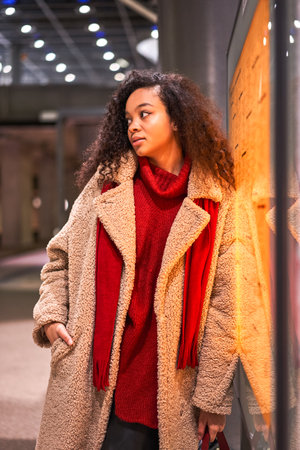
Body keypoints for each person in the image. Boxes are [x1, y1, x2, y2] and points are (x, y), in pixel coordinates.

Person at [33, 70, 237, 450]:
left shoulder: (216, 199)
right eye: (127, 119)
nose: (133, 126)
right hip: (101, 376)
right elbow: (59, 258)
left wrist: (212, 395)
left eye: (145, 114)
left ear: (176, 119)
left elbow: (226, 304)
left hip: (176, 383)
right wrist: (50, 319)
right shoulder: (106, 186)